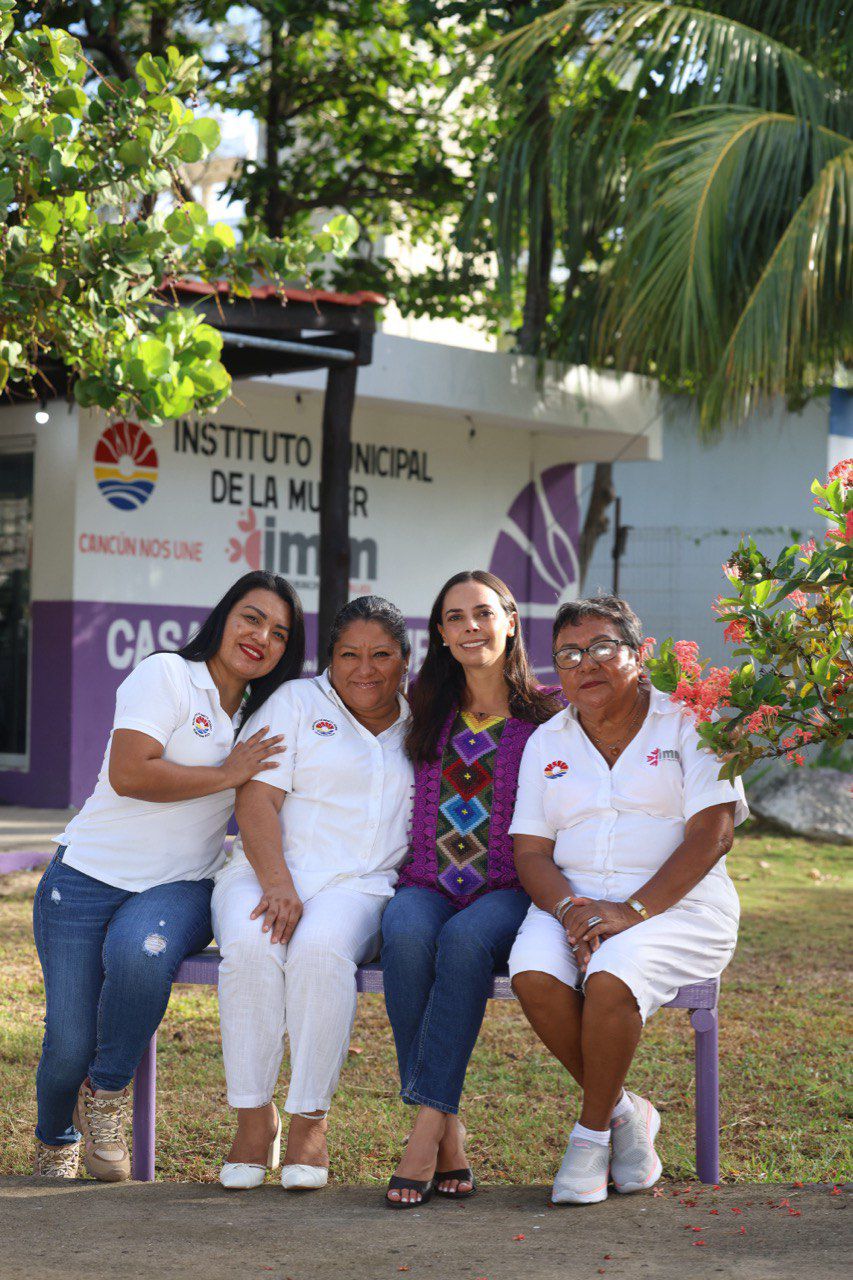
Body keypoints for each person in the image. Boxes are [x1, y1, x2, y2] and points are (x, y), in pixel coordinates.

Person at [32, 571, 304, 1180]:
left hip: (181, 883)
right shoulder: (168, 675)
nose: (262, 637)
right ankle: (55, 1140)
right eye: (252, 618)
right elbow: (131, 773)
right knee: (68, 1045)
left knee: (142, 953)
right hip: (83, 879)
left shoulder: (267, 714)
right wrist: (228, 772)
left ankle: (105, 1095)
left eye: (280, 632)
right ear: (224, 616)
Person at [508, 596, 747, 1205]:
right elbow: (531, 852)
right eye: (568, 654)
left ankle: (590, 1136)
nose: (584, 663)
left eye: (601, 647)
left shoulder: (692, 723)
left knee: (611, 976)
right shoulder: (546, 741)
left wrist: (630, 913)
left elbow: (714, 834)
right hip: (574, 902)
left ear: (638, 657)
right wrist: (570, 911)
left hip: (681, 905)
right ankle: (625, 1111)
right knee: (532, 975)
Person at [212, 595, 414, 1191]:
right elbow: (256, 798)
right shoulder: (296, 703)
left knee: (321, 952)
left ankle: (309, 1119)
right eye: (349, 655)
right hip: (265, 870)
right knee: (251, 946)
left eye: (381, 655)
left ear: (406, 659)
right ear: (330, 658)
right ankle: (254, 1119)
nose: (364, 669)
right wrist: (277, 883)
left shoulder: (423, 719)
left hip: (361, 885)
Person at [381, 570, 562, 1208]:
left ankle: (423, 1132)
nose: (470, 627)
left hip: (510, 888)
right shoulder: (421, 707)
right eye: (454, 618)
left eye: (483, 613)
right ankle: (447, 1131)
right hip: (426, 882)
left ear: (510, 621)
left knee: (462, 942)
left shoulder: (550, 716)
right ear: (440, 633)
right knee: (403, 932)